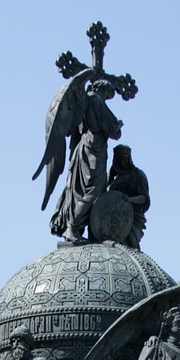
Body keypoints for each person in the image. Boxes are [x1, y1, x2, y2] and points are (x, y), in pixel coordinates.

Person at [49, 79, 124, 243]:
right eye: (109, 93)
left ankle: (78, 227)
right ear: (103, 89)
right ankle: (73, 227)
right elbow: (113, 130)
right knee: (92, 190)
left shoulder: (85, 100)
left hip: (84, 148)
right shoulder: (96, 100)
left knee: (81, 190)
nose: (108, 97)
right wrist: (117, 125)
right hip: (93, 148)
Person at [107, 144, 150, 250]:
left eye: (125, 159)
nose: (123, 162)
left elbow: (144, 198)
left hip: (131, 217)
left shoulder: (138, 175)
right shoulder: (110, 177)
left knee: (130, 245)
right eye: (120, 159)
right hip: (112, 218)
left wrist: (130, 200)